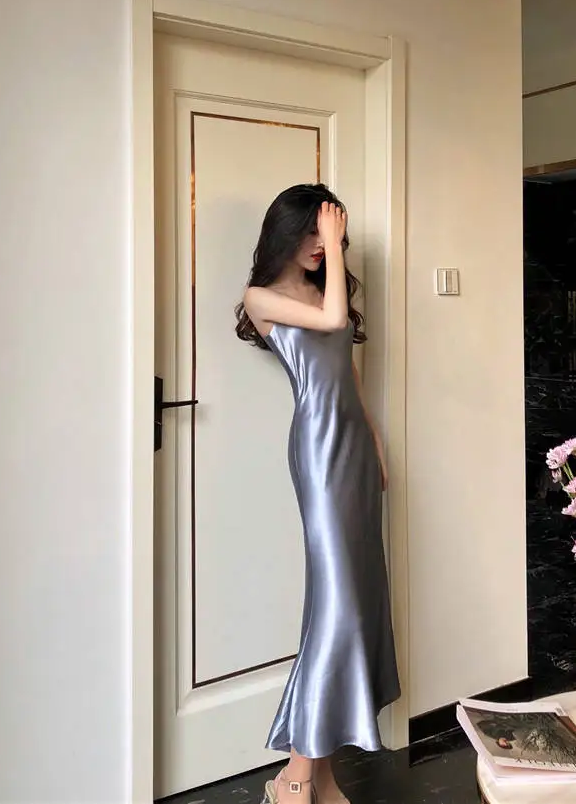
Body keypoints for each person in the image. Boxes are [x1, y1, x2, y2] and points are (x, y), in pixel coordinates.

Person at [235, 184, 401, 804]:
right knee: (337, 606)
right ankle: (295, 778)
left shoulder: (322, 291)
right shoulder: (261, 298)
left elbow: (347, 370)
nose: (320, 245)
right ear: (284, 232)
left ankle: (320, 780)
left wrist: (376, 443)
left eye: (326, 234)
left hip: (354, 449)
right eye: (309, 233)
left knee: (358, 595)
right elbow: (332, 322)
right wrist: (334, 242)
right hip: (319, 451)